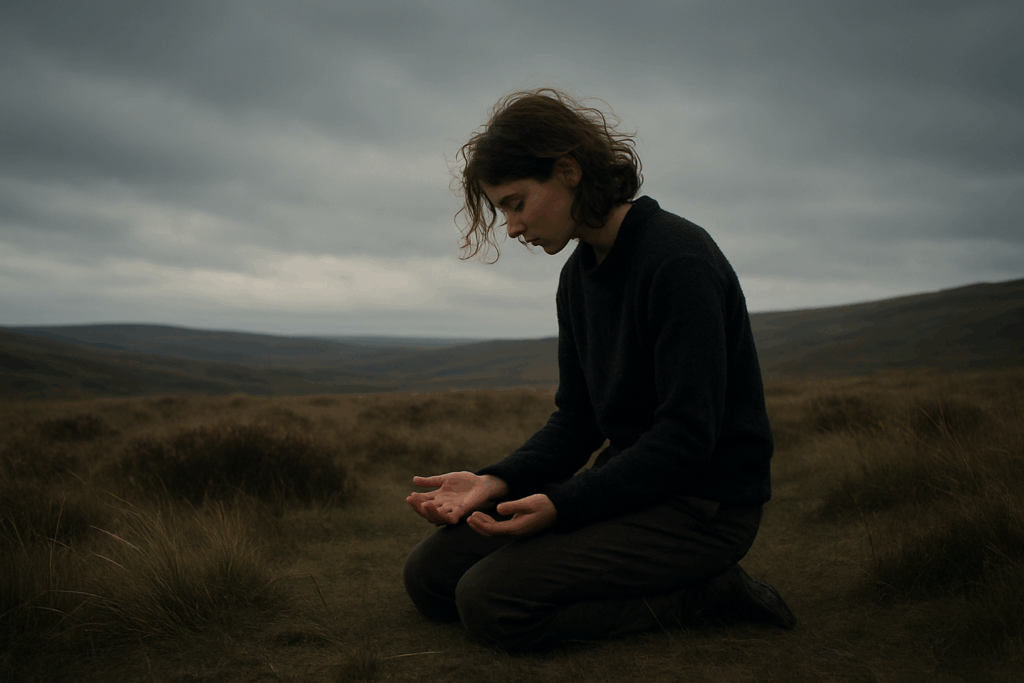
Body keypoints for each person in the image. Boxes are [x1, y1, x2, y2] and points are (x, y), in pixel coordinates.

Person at [403, 88, 795, 653]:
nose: (511, 228)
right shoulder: (578, 276)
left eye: (516, 203)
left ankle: (709, 594)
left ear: (567, 171)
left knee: (491, 604)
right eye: (502, 211)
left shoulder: (678, 260)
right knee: (431, 576)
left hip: (705, 507)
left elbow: (687, 438)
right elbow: (579, 418)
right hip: (635, 490)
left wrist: (565, 505)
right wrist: (497, 480)